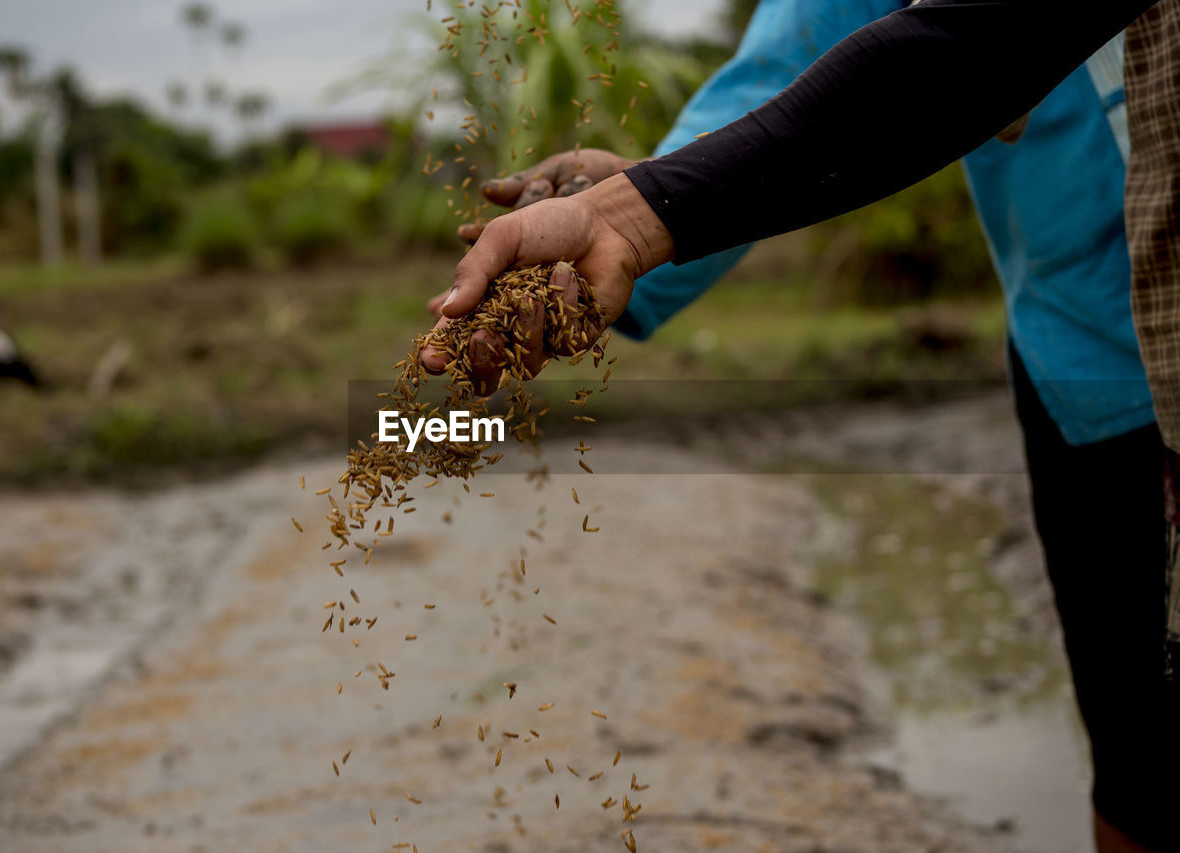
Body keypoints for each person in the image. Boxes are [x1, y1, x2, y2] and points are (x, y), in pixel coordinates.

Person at [420, 1, 1177, 850]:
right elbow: (803, 60)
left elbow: (977, 46)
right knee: (1142, 760)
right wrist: (637, 204)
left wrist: (636, 213)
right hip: (1082, 344)